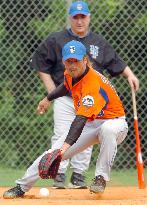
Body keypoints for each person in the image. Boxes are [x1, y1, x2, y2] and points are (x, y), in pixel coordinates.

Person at [3, 1, 139, 198]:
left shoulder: (92, 83)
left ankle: (100, 177)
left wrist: (64, 149)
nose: (72, 65)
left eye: (76, 61)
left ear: (86, 60)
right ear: (64, 62)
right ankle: (21, 186)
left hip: (114, 123)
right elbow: (65, 86)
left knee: (105, 131)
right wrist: (47, 99)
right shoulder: (70, 73)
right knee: (52, 152)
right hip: (92, 123)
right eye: (69, 61)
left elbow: (79, 121)